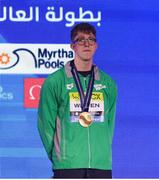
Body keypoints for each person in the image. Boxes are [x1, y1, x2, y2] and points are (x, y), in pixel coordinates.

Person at [38, 22, 117, 178]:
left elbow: (110, 126)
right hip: (67, 166)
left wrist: (102, 154)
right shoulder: (55, 82)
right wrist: (60, 157)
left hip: (101, 166)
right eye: (80, 40)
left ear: (96, 46)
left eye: (91, 39)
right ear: (72, 46)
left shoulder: (108, 84)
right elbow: (45, 126)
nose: (86, 44)